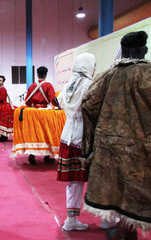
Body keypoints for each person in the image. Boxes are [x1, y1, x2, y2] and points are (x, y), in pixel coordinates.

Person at [82, 31, 151, 239]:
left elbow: (88, 105)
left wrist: (92, 143)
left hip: (112, 149)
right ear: (144, 49)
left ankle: (126, 232)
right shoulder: (148, 74)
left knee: (121, 193)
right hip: (143, 149)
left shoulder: (109, 75)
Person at [56, 53, 96, 231]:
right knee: (92, 179)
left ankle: (71, 218)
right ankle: (106, 218)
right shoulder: (89, 84)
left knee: (74, 182)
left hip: (67, 137)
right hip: (83, 138)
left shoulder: (68, 84)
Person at [24, 66, 60, 165]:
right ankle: (47, 156)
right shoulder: (48, 85)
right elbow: (53, 99)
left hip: (33, 112)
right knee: (46, 133)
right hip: (45, 113)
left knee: (34, 133)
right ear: (45, 75)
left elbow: (27, 101)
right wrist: (59, 107)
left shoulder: (32, 86)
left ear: (37, 74)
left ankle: (32, 156)